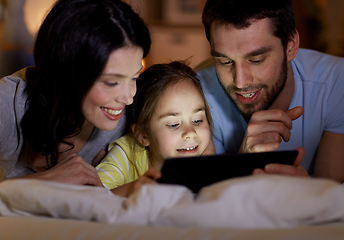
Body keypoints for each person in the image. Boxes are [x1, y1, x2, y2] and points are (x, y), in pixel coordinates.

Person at [195, 0, 344, 183]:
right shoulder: (196, 95)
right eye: (225, 62)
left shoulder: (336, 81)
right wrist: (242, 164)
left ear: (290, 45)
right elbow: (204, 197)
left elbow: (334, 193)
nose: (240, 82)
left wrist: (307, 191)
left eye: (256, 60)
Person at [0, 0, 151, 186]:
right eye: (112, 82)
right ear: (66, 72)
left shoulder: (124, 118)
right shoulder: (6, 103)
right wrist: (45, 180)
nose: (128, 98)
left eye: (134, 77)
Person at [96, 61, 215, 197]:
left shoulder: (204, 154)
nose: (190, 133)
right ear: (143, 135)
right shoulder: (125, 155)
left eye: (197, 120)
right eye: (173, 124)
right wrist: (131, 190)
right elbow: (91, 200)